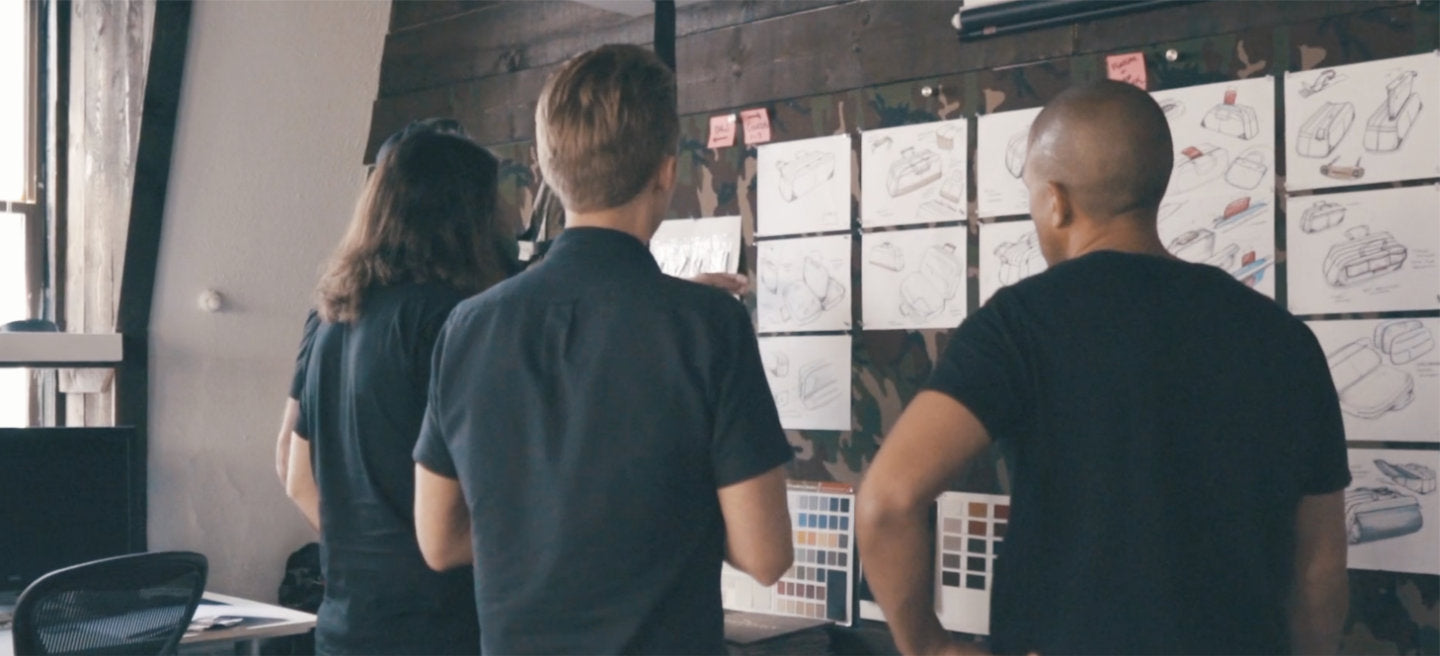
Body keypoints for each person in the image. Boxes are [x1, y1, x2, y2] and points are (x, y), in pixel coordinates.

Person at [857, 80, 1350, 656]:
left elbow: (887, 501)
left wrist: (931, 647)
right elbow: (1319, 566)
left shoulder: (1021, 324)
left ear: (1056, 201)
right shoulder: (1285, 340)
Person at [412, 44, 794, 655]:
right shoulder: (706, 326)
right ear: (667, 171)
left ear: (546, 167)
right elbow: (766, 554)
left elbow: (438, 541)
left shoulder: (467, 327)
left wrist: (549, 529)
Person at [279, 128, 517, 654]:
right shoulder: (450, 321)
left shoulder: (335, 319)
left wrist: (374, 560)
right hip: (439, 628)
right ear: (463, 214)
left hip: (347, 625)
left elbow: (298, 478)